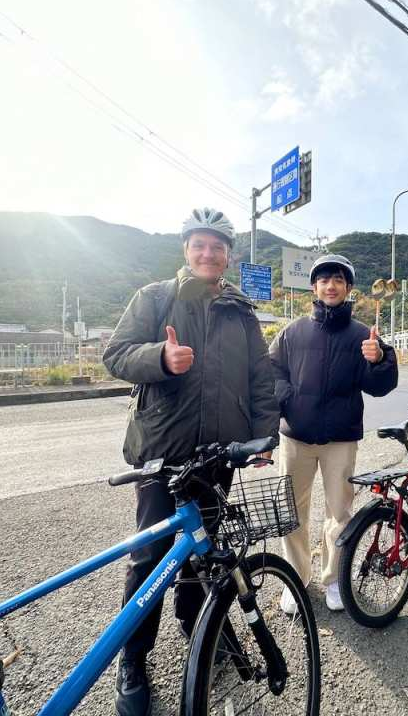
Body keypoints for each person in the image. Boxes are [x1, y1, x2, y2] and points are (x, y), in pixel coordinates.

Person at [103, 206, 279, 716]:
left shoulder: (241, 312)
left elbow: (260, 379)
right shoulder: (155, 298)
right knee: (151, 558)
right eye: (199, 245)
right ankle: (132, 661)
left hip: (216, 455)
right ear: (186, 249)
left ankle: (196, 624)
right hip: (162, 452)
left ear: (228, 255)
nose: (208, 254)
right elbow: (116, 354)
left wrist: (264, 438)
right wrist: (160, 358)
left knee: (206, 550)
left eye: (218, 247)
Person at [269, 254, 398, 613]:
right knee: (290, 511)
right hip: (295, 436)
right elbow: (271, 372)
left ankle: (333, 579)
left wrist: (380, 360)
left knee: (340, 512)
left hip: (341, 439)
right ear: (314, 287)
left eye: (338, 280)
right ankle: (296, 579)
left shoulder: (362, 336)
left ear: (348, 288)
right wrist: (288, 397)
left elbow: (379, 386)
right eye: (324, 279)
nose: (330, 285)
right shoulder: (293, 332)